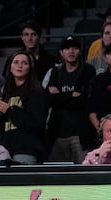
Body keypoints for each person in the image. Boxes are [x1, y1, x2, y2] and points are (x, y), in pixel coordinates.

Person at [41, 35, 96, 163]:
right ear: (61, 52)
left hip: (80, 134)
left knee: (83, 174)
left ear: (80, 51)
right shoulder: (55, 71)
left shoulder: (88, 70)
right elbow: (50, 100)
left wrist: (60, 97)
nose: (71, 51)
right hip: (58, 134)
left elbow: (84, 101)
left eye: (74, 48)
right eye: (67, 48)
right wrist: (71, 95)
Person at [0, 51, 50, 164]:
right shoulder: (5, 92)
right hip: (5, 149)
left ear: (30, 68)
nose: (20, 66)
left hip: (26, 149)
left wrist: (9, 110)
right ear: (10, 67)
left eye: (24, 63)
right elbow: (1, 127)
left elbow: (36, 123)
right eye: (16, 62)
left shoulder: (36, 92)